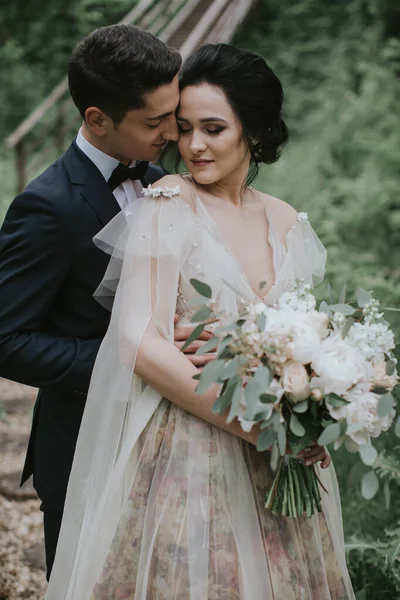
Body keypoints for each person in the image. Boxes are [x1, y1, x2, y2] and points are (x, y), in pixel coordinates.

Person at [46, 44, 355, 599]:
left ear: (254, 130)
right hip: (188, 448)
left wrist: (315, 409)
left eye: (213, 128)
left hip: (280, 459)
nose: (192, 146)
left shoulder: (286, 221)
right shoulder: (169, 200)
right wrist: (258, 426)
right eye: (183, 127)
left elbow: (306, 340)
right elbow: (139, 340)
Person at [0, 24, 215, 579]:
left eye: (174, 114)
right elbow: (6, 339)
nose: (174, 132)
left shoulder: (163, 177)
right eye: (155, 122)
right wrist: (130, 363)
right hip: (83, 450)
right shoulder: (46, 209)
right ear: (97, 119)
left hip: (174, 442)